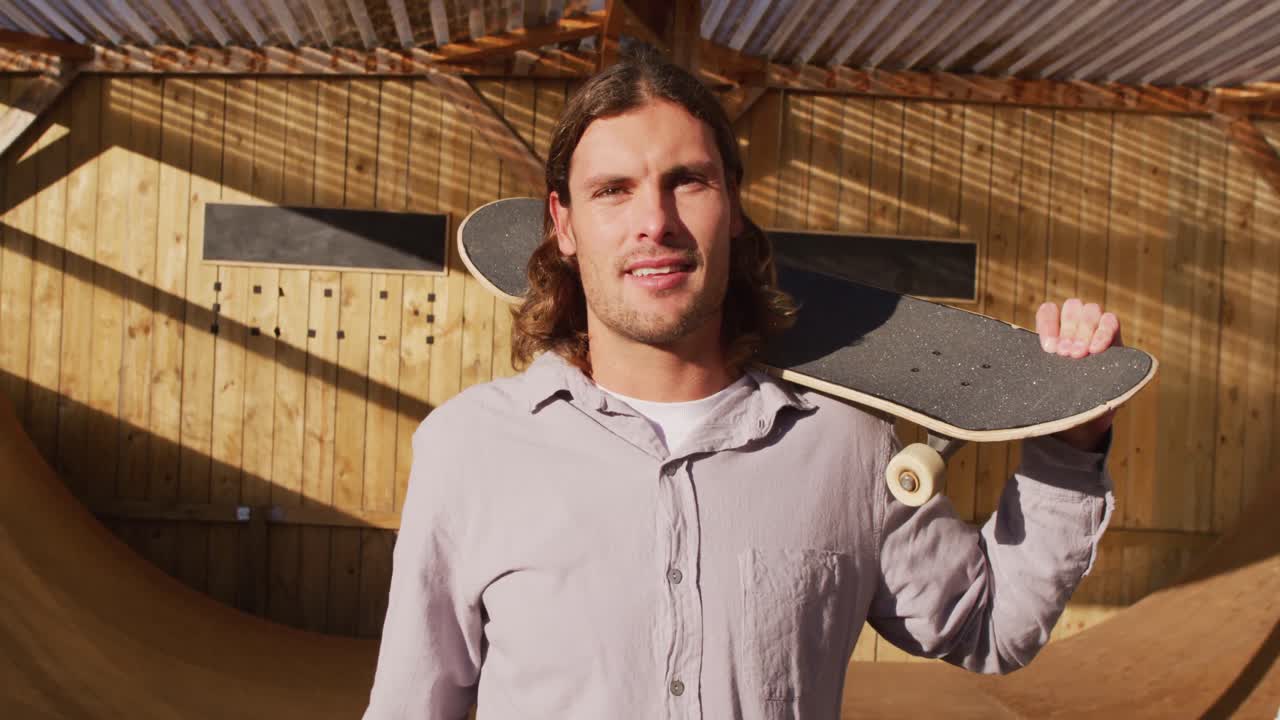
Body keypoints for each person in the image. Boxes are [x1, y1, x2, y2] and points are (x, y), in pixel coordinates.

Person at [363, 48, 1121, 720]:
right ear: (563, 224)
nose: (654, 221)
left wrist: (1069, 445)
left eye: (687, 182)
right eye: (613, 190)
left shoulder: (847, 447)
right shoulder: (472, 448)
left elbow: (990, 625)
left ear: (731, 204)